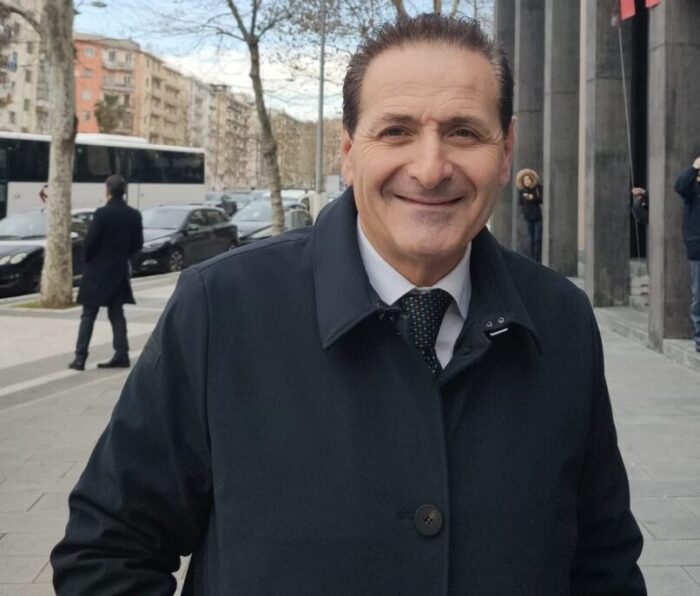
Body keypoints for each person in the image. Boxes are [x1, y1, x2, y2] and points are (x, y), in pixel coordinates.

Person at [52, 15, 645, 595]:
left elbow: (604, 564)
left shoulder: (561, 319)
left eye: (464, 132)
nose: (430, 169)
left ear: (507, 149)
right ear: (347, 150)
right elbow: (106, 554)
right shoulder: (221, 309)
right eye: (396, 131)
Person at [67, 175, 143, 371]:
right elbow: (137, 245)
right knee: (116, 313)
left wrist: (88, 260)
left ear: (108, 190)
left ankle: (80, 357)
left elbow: (90, 241)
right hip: (118, 270)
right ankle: (122, 354)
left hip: (97, 271)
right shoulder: (134, 215)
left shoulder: (102, 213)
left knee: (88, 315)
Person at [674, 157, 700, 353]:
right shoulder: (693, 187)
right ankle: (699, 337)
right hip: (697, 248)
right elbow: (679, 186)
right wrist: (694, 167)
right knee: (698, 295)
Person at [516, 168, 543, 262]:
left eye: (528, 179)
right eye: (525, 180)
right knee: (530, 240)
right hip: (528, 217)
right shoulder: (522, 191)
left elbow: (542, 199)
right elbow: (520, 203)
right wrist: (523, 211)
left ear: (532, 180)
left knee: (537, 239)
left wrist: (533, 198)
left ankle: (537, 259)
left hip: (538, 217)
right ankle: (532, 259)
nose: (526, 181)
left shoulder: (537, 188)